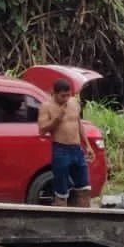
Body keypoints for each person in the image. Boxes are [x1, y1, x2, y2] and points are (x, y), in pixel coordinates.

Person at [36, 78, 94, 208]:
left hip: (77, 150)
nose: (66, 98)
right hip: (61, 150)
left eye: (68, 95)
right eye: (63, 96)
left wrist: (88, 146)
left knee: (85, 189)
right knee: (61, 192)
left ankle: (84, 220)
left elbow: (78, 124)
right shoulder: (46, 107)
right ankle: (61, 221)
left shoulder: (73, 103)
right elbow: (42, 130)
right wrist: (57, 118)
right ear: (54, 93)